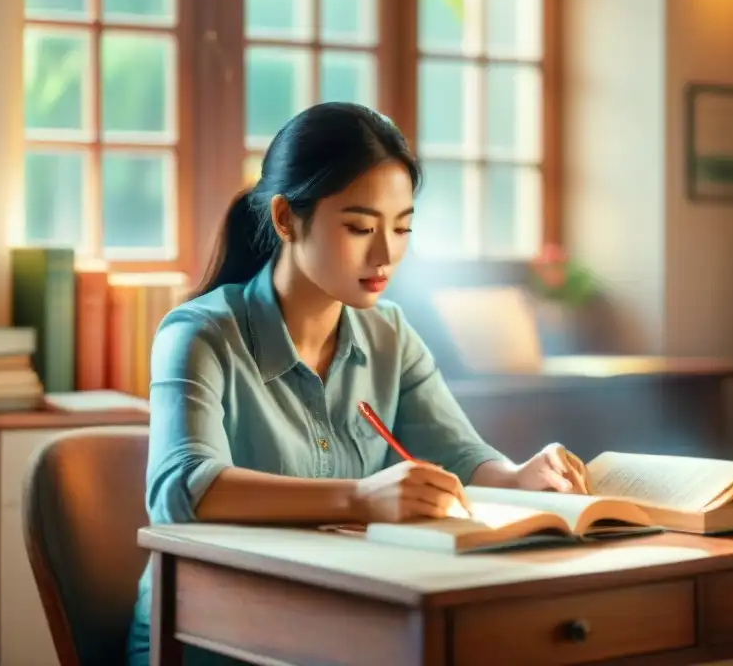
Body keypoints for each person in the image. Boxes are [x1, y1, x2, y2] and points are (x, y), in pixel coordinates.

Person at [126, 102, 587, 666]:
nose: (385, 253)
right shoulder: (200, 334)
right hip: (209, 637)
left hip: (341, 629)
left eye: (402, 227)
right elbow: (181, 491)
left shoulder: (388, 331)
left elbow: (460, 456)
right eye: (360, 227)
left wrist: (519, 477)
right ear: (285, 219)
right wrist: (361, 497)